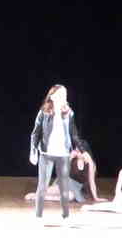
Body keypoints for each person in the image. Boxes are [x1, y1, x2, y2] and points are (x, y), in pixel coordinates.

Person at [29, 84, 83, 222]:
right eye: (60, 94)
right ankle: (38, 216)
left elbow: (74, 134)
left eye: (65, 94)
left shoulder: (69, 113)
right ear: (52, 96)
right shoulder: (44, 112)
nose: (64, 97)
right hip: (46, 154)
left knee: (64, 188)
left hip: (63, 154)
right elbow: (35, 133)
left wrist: (81, 151)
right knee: (42, 186)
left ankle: (65, 216)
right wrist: (33, 151)